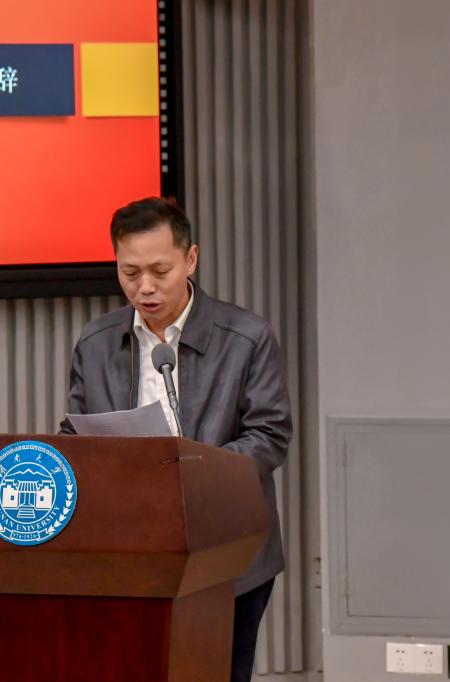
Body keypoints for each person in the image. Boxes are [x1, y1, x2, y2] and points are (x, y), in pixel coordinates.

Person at [60, 196, 292, 682]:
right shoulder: (96, 342)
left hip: (227, 551)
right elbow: (74, 435)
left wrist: (192, 475)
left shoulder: (245, 337)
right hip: (127, 551)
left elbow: (268, 436)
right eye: (129, 272)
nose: (144, 287)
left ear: (190, 259)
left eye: (160, 271)